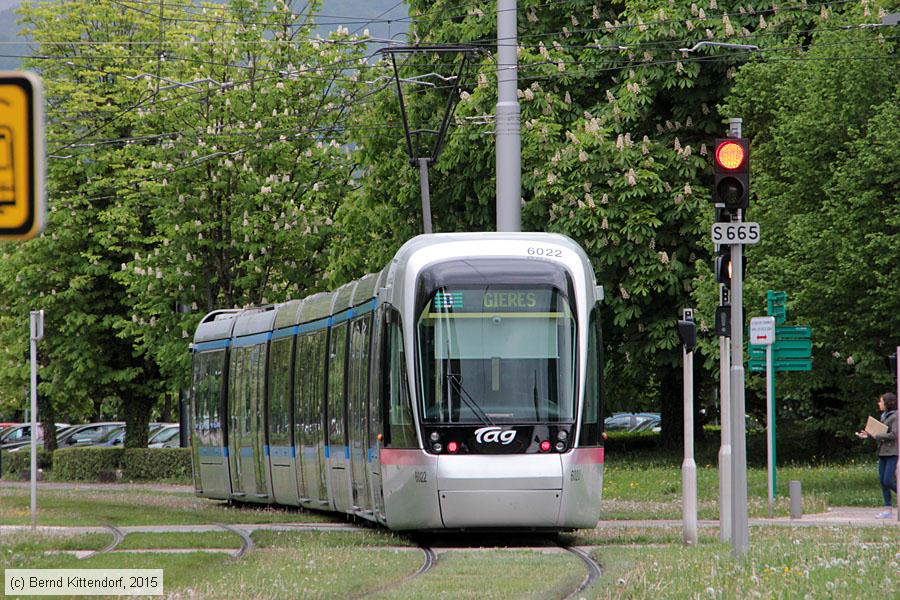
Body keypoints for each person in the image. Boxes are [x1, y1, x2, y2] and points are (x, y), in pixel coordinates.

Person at [856, 392, 898, 518]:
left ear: (887, 403)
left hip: (892, 452)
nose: (879, 403)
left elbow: (894, 435)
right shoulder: (883, 416)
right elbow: (880, 432)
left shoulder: (895, 417)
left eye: (881, 401)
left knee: (888, 479)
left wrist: (877, 435)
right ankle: (888, 508)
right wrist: (868, 435)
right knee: (882, 481)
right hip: (882, 452)